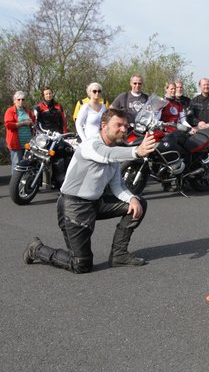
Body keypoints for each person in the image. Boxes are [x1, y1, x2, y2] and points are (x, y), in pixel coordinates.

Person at [22, 108, 157, 273]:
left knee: (138, 203)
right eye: (119, 125)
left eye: (126, 126)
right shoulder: (90, 144)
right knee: (81, 265)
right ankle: (37, 249)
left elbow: (117, 186)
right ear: (104, 125)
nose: (123, 129)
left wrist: (132, 199)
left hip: (96, 202)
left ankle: (119, 255)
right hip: (73, 207)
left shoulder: (114, 154)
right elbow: (105, 154)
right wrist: (136, 151)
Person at [4, 91, 35, 171]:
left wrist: (32, 122)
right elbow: (8, 125)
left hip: (28, 143)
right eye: (19, 99)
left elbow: (33, 121)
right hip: (16, 143)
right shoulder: (10, 111)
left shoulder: (27, 111)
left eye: (23, 99)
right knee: (17, 165)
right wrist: (23, 123)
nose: (21, 101)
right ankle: (15, 183)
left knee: (27, 164)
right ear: (14, 100)